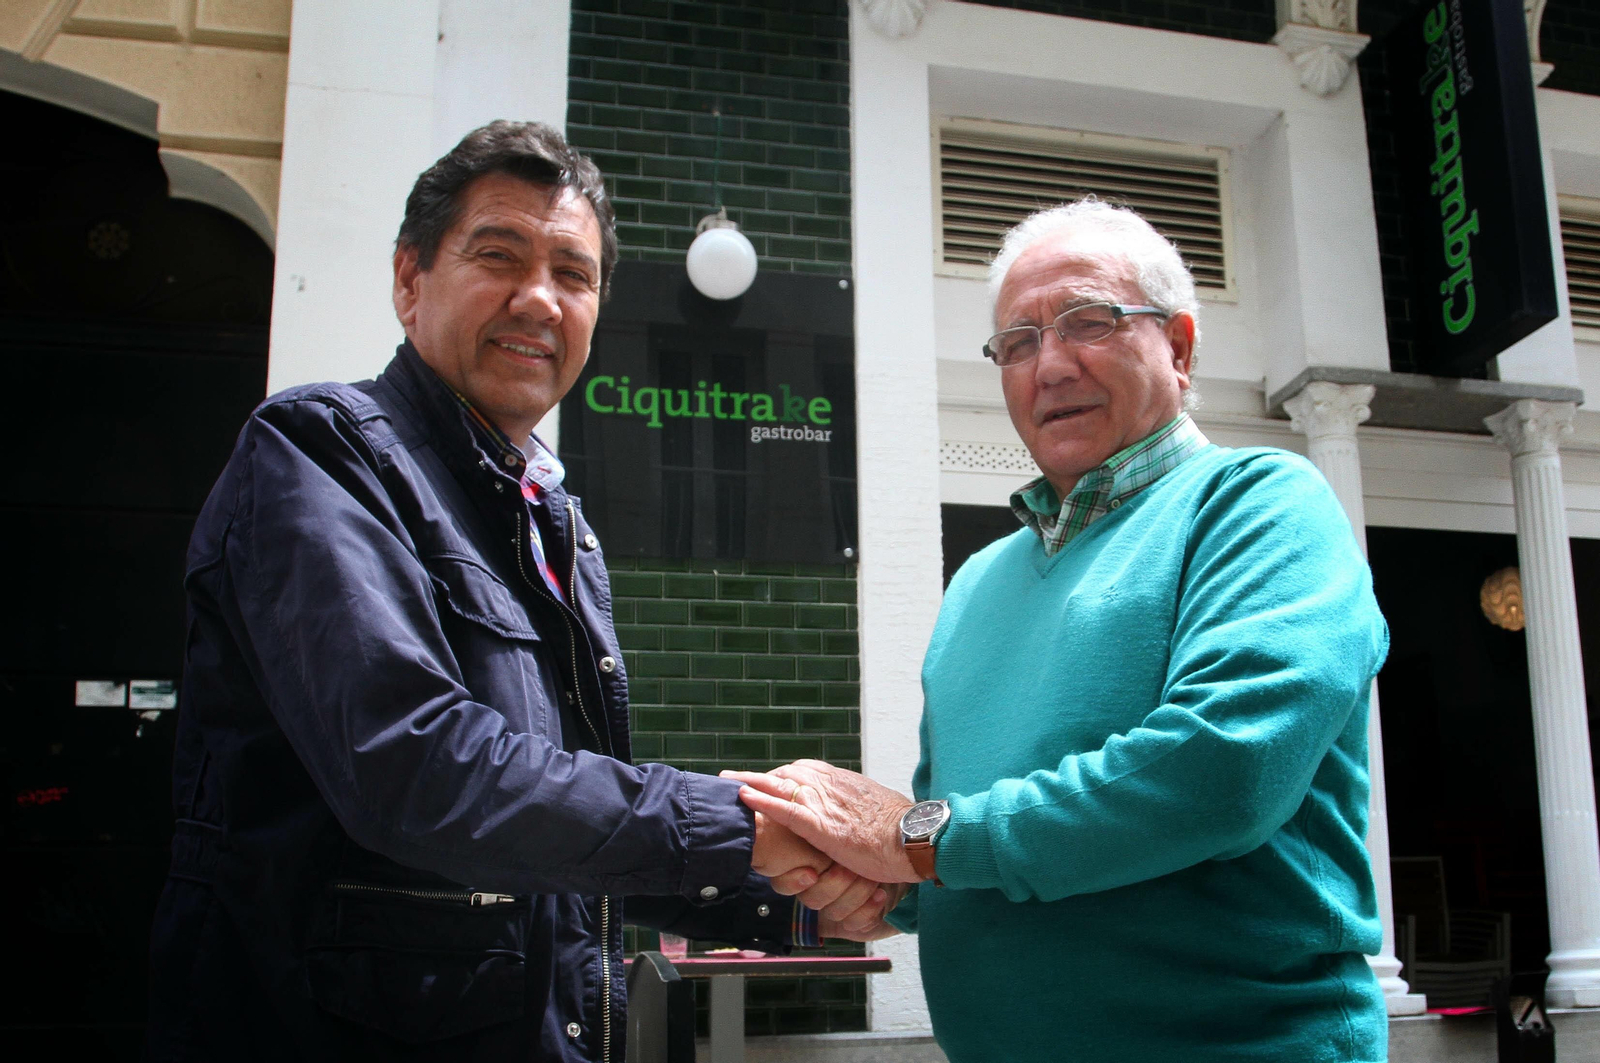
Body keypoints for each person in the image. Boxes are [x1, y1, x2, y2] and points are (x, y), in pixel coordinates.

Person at [146, 120, 890, 1063]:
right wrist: (742, 827)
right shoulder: (320, 451)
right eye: (499, 255)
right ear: (410, 279)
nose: (538, 298)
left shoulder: (555, 523)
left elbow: (557, 840)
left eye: (573, 275)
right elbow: (415, 770)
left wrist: (803, 898)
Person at [732, 199, 1391, 1062]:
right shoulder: (976, 581)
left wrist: (909, 840)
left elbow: (1222, 768)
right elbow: (965, 842)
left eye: (1089, 321)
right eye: (1018, 341)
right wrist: (877, 885)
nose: (1049, 365)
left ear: (1181, 348)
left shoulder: (1260, 503)